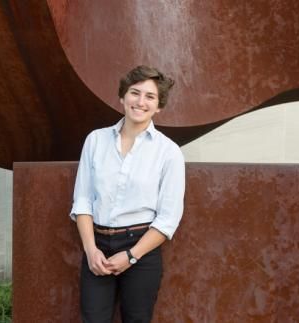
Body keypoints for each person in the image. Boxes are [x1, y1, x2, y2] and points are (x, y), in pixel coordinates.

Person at [70, 65, 185, 323]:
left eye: (150, 97)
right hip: (97, 247)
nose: (140, 102)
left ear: (159, 107)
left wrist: (132, 255)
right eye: (135, 93)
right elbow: (83, 201)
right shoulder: (95, 140)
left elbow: (168, 219)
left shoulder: (169, 152)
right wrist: (90, 250)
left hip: (141, 249)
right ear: (122, 97)